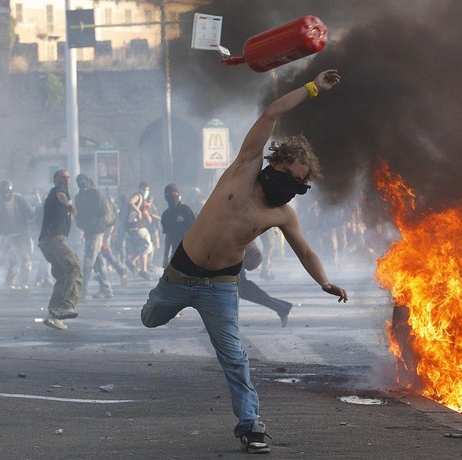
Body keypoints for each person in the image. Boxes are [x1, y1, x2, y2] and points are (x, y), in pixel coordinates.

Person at [141, 69, 347, 454]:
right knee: (149, 318)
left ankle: (251, 425)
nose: (286, 179)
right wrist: (313, 88)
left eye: (295, 179)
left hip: (219, 285)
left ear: (301, 186)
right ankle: (159, 296)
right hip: (179, 271)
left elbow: (305, 251)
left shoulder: (282, 214)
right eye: (284, 170)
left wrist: (324, 281)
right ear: (275, 161)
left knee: (234, 357)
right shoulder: (244, 168)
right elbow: (271, 114)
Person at [38, 170, 82, 330]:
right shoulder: (59, 191)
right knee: (74, 267)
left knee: (64, 275)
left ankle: (53, 315)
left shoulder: (54, 194)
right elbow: (61, 195)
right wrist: (69, 204)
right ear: (56, 179)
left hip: (47, 241)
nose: (66, 179)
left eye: (68, 177)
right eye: (63, 177)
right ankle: (66, 306)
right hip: (54, 238)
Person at [74, 174, 114, 299]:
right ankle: (106, 288)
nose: (82, 184)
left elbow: (103, 211)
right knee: (98, 262)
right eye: (80, 182)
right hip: (89, 231)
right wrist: (82, 224)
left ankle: (82, 289)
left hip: (97, 231)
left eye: (84, 181)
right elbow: (78, 215)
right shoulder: (79, 197)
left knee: (88, 262)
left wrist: (91, 219)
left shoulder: (94, 194)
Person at [239, 241, 292, 327]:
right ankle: (282, 307)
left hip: (234, 255)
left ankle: (282, 307)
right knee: (244, 288)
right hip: (234, 254)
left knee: (244, 288)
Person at [0, 180, 35, 289]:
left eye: (8, 193)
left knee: (25, 258)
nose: (6, 195)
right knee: (12, 259)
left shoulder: (19, 199)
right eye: (4, 194)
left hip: (22, 234)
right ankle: (11, 282)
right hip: (9, 235)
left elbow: (30, 213)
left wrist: (30, 222)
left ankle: (23, 282)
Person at [160, 183, 196, 268]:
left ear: (178, 194)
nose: (171, 196)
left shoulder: (186, 210)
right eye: (168, 194)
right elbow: (168, 237)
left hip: (191, 250)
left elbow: (197, 229)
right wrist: (165, 257)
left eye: (174, 194)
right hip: (176, 252)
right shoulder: (166, 215)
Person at [126, 181, 154, 280]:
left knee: (144, 246)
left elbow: (148, 217)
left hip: (137, 226)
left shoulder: (144, 201)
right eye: (145, 189)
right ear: (141, 188)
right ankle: (142, 268)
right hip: (135, 225)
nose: (147, 191)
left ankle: (138, 265)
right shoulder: (138, 196)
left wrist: (148, 216)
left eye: (148, 190)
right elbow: (130, 202)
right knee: (147, 245)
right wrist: (138, 211)